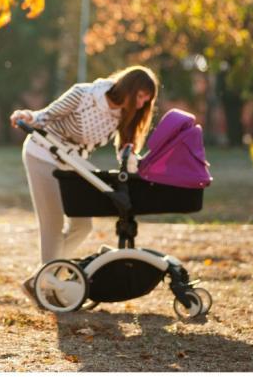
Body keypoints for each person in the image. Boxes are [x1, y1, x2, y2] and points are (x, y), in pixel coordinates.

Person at [9, 65, 159, 306]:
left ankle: (40, 278)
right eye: (141, 96)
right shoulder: (85, 94)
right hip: (43, 154)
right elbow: (44, 116)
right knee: (53, 224)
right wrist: (26, 116)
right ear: (129, 88)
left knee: (82, 225)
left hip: (73, 163)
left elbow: (126, 151)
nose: (142, 104)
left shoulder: (124, 114)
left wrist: (136, 168)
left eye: (147, 100)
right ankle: (44, 290)